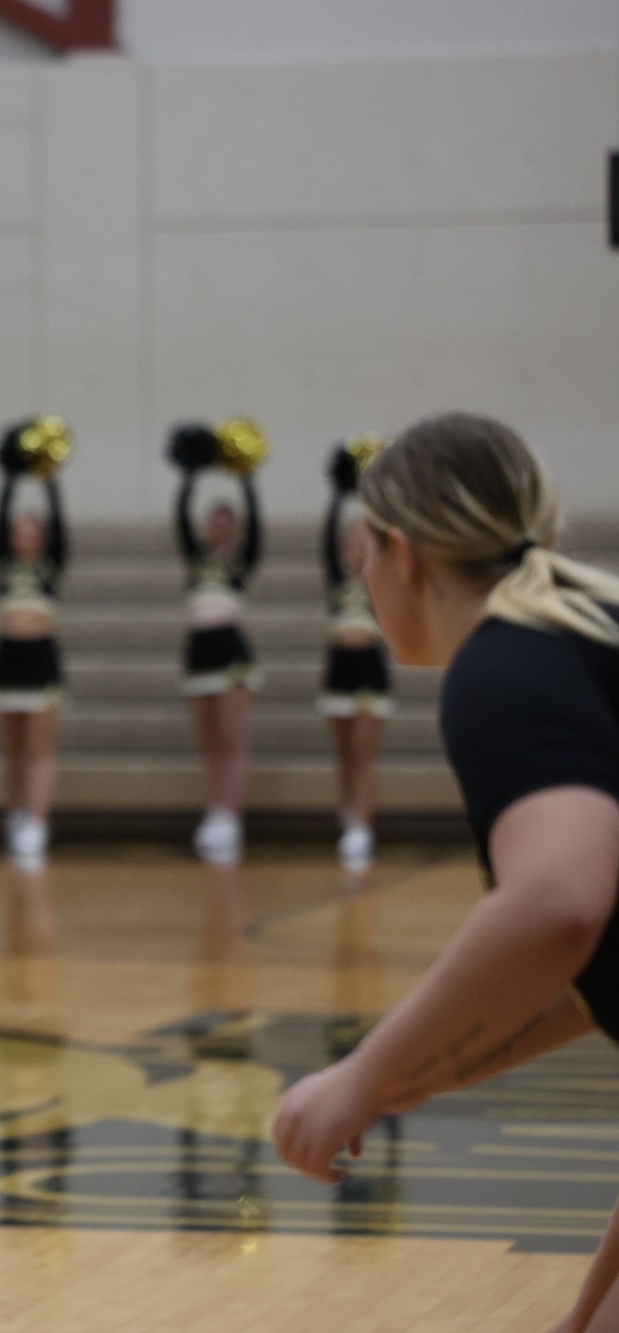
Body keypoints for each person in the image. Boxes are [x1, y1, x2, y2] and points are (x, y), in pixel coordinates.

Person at [270, 414, 619, 1333]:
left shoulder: (506, 667)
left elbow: (559, 902)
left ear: (401, 552)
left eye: (363, 551)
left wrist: (363, 1077)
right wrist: (407, 1071)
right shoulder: (584, 632)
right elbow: (600, 982)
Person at [169, 424, 265, 864]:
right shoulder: (197, 558)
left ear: (234, 527)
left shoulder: (239, 563)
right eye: (213, 520)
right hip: (197, 649)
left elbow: (258, 526)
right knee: (208, 742)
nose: (218, 526)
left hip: (230, 649)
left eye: (226, 521)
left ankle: (232, 814)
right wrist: (192, 474)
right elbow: (180, 515)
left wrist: (244, 476)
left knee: (231, 738)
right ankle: (214, 811)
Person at [0, 419, 70, 868]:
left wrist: (47, 478)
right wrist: (10, 476)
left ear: (40, 536)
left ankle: (37, 822)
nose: (23, 535)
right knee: (14, 749)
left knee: (40, 749)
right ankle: (17, 813)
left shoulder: (50, 566)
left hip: (40, 658)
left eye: (30, 529)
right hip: (7, 657)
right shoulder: (3, 563)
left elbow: (60, 526)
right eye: (18, 530)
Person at [319, 441, 395, 869]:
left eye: (360, 540)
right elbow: (327, 532)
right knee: (344, 754)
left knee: (365, 754)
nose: (353, 545)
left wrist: (373, 492)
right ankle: (349, 816)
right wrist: (341, 488)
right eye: (349, 539)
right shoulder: (334, 577)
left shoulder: (380, 581)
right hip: (337, 666)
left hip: (369, 667)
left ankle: (363, 826)